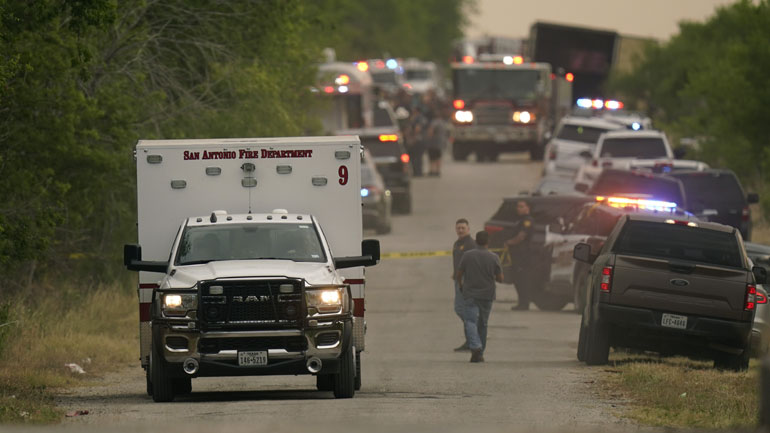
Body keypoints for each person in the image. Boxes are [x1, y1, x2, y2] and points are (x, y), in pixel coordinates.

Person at [456, 231, 503, 363]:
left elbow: (459, 273)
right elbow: (500, 278)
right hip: (487, 295)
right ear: (488, 242)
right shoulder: (494, 257)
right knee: (483, 323)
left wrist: (461, 286)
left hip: (470, 294)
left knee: (470, 321)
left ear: (476, 241)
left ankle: (475, 346)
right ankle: (480, 353)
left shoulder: (467, 255)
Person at [505, 200, 535, 311]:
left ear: (528, 208)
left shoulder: (527, 221)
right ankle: (521, 302)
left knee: (522, 279)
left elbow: (521, 236)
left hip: (523, 255)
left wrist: (510, 242)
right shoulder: (520, 220)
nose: (518, 208)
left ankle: (524, 303)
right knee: (517, 278)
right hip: (517, 254)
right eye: (518, 206)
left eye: (521, 206)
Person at [451, 218, 475, 352]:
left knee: (461, 309)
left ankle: (473, 336)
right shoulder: (457, 243)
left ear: (468, 229)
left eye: (463, 228)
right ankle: (470, 340)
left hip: (466, 281)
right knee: (461, 309)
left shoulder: (471, 244)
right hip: (458, 279)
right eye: (458, 228)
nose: (460, 230)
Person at [426, 104, 449, 176]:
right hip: (440, 143)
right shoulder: (443, 122)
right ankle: (438, 170)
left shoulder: (434, 122)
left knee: (432, 158)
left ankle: (432, 170)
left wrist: (428, 137)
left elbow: (431, 131)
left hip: (433, 143)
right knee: (438, 157)